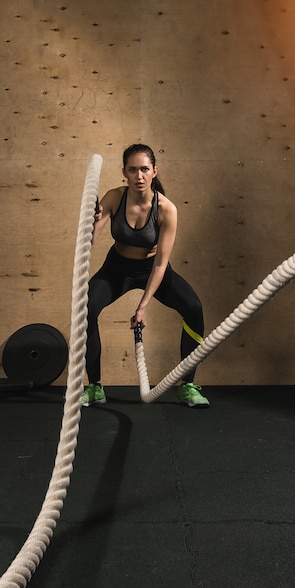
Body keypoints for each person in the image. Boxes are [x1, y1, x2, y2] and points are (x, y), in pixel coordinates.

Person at [82, 143, 209, 408]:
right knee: (87, 309)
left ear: (154, 171)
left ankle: (188, 386)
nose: (138, 176)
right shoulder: (115, 197)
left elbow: (161, 264)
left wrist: (142, 307)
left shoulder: (166, 209)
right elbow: (89, 241)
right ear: (124, 172)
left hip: (152, 270)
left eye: (144, 169)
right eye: (132, 170)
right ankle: (94, 386)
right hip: (116, 269)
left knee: (194, 309)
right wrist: (89, 220)